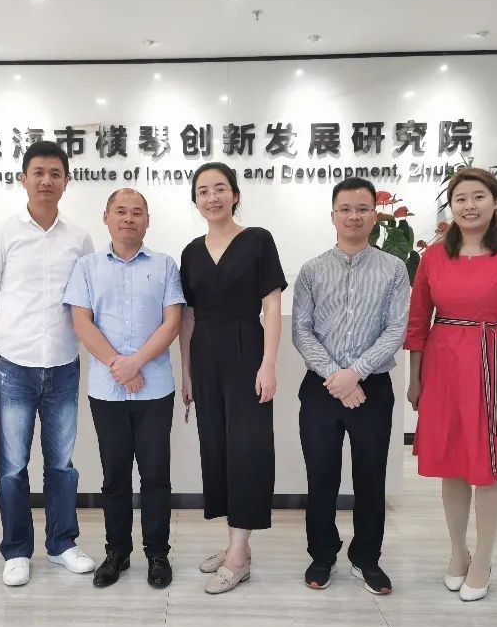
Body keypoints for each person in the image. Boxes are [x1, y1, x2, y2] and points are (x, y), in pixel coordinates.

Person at [405, 166, 497, 602]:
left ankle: (482, 558)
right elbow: (417, 322)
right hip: (444, 368)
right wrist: (414, 379)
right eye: (460, 199)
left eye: (478, 197)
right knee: (451, 464)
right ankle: (457, 552)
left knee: (488, 468)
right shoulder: (433, 257)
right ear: (451, 206)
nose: (469, 206)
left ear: (495, 202)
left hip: (494, 366)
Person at [0, 140, 96, 587]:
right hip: (14, 366)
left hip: (63, 362)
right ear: (23, 179)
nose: (46, 181)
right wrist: (10, 329)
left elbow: (88, 296)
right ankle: (16, 551)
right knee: (12, 466)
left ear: (66, 181)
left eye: (55, 173)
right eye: (38, 173)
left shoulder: (79, 238)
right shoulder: (5, 233)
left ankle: (62, 545)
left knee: (62, 464)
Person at [292, 177, 409, 596]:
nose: (354, 216)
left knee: (370, 477)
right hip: (321, 388)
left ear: (375, 215)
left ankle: (367, 557)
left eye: (362, 209)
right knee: (321, 477)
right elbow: (301, 331)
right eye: (345, 209)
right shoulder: (312, 270)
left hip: (372, 388)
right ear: (333, 216)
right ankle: (322, 555)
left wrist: (356, 373)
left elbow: (396, 329)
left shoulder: (394, 269)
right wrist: (337, 377)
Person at [63, 188, 184, 589]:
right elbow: (81, 323)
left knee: (155, 476)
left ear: (147, 221)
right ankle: (117, 552)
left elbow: (172, 323)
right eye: (121, 211)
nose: (128, 218)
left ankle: (157, 554)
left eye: (137, 212)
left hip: (155, 390)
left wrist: (136, 363)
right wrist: (120, 365)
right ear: (106, 217)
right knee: (114, 476)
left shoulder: (165, 265)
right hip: (108, 390)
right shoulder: (86, 267)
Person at [179, 162, 286, 595]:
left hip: (246, 352)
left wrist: (268, 363)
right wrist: (186, 372)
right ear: (196, 201)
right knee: (218, 449)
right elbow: (188, 316)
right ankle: (233, 544)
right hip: (205, 356)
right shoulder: (191, 252)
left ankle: (238, 556)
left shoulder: (258, 240)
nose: (212, 197)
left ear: (235, 195)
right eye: (203, 191)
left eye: (220, 188)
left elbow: (272, 305)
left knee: (248, 449)